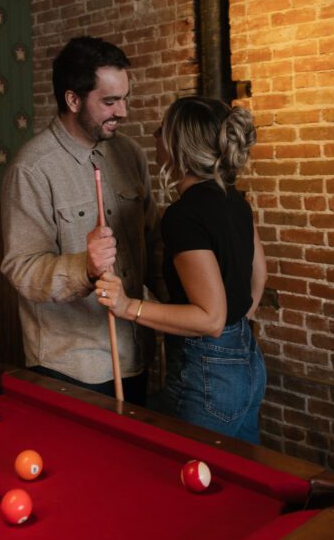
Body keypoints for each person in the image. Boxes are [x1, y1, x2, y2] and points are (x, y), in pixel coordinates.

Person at [0, 35, 165, 405]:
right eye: (109, 101)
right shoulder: (32, 169)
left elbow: (153, 244)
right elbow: (22, 269)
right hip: (71, 367)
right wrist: (85, 268)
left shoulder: (130, 154)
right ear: (73, 99)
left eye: (125, 98)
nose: (122, 111)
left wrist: (188, 316)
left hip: (137, 352)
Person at [96, 95, 267, 442]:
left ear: (177, 147)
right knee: (239, 478)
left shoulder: (183, 215)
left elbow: (210, 319)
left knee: (193, 480)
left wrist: (128, 306)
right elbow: (258, 276)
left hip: (210, 373)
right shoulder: (236, 200)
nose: (156, 136)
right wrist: (237, 327)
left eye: (162, 130)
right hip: (247, 360)